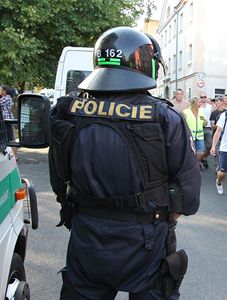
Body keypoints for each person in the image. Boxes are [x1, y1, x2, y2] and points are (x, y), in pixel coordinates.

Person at [48, 27, 200, 299]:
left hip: (87, 235)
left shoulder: (67, 109)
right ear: (145, 65)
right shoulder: (164, 117)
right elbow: (188, 194)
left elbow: (59, 178)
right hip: (146, 239)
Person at [182, 97, 207, 162]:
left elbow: (204, 123)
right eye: (199, 102)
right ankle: (192, 166)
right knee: (191, 153)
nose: (201, 103)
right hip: (190, 136)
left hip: (200, 136)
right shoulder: (185, 112)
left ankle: (196, 164)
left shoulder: (201, 111)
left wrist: (205, 122)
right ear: (194, 103)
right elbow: (182, 124)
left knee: (201, 153)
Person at [199, 92, 213, 169]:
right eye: (201, 97)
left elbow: (214, 116)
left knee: (210, 146)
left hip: (208, 128)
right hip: (199, 129)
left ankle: (204, 158)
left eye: (205, 97)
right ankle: (199, 162)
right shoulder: (198, 106)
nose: (203, 98)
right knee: (199, 148)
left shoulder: (210, 107)